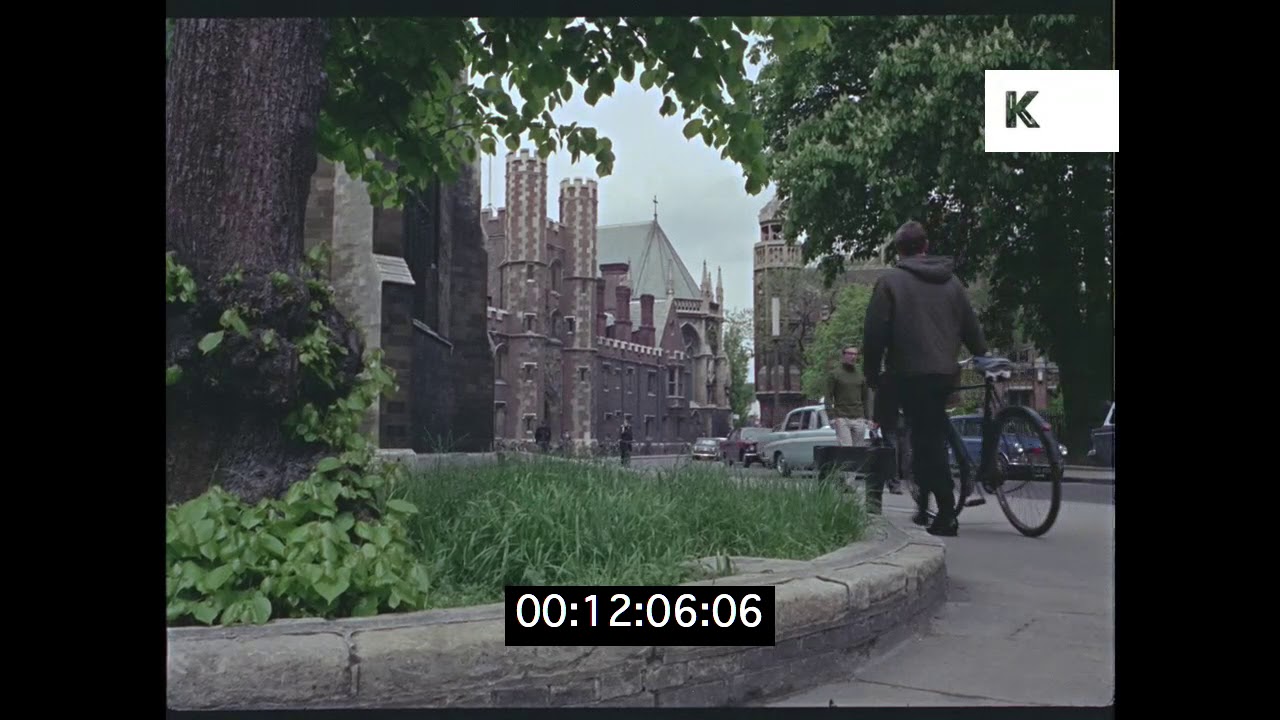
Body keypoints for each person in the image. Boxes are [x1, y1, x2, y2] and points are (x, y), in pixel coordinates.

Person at [863, 220, 989, 537]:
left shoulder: (890, 282)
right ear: (925, 246)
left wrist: (871, 373)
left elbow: (875, 332)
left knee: (899, 431)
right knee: (929, 433)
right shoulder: (952, 283)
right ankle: (924, 506)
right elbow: (971, 327)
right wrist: (982, 356)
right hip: (945, 373)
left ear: (899, 250)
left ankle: (942, 512)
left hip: (908, 374)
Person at [823, 346, 877, 506]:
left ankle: (847, 480)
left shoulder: (861, 375)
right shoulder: (835, 374)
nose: (853, 357)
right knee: (846, 448)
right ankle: (848, 484)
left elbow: (867, 397)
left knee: (857, 450)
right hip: (842, 417)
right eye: (850, 354)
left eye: (855, 354)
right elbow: (828, 396)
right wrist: (832, 416)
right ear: (843, 355)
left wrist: (869, 418)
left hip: (858, 417)